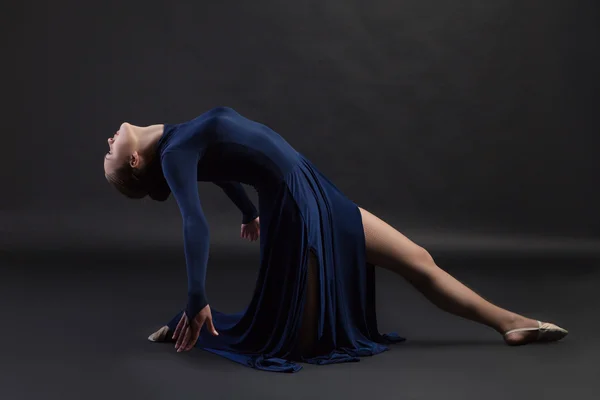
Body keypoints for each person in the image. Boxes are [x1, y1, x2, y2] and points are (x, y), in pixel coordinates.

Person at [103, 106, 568, 373]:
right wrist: (196, 296)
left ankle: (510, 323)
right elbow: (195, 222)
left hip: (311, 187)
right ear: (136, 164)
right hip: (296, 204)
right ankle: (196, 323)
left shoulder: (178, 143)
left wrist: (247, 211)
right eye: (111, 155)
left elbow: (220, 170)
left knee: (416, 258)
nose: (108, 141)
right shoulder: (174, 154)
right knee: (296, 344)